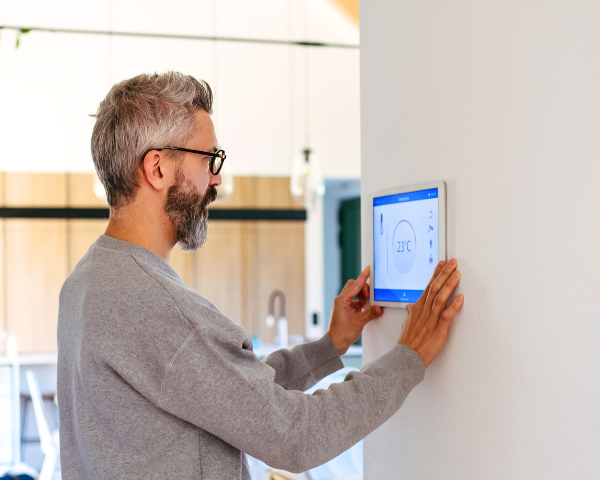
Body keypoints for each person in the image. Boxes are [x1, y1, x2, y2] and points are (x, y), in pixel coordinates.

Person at [57, 72, 464, 480]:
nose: (215, 178)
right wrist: (409, 355)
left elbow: (232, 396)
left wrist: (331, 344)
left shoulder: (87, 281)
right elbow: (296, 436)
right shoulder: (155, 304)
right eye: (208, 159)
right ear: (157, 168)